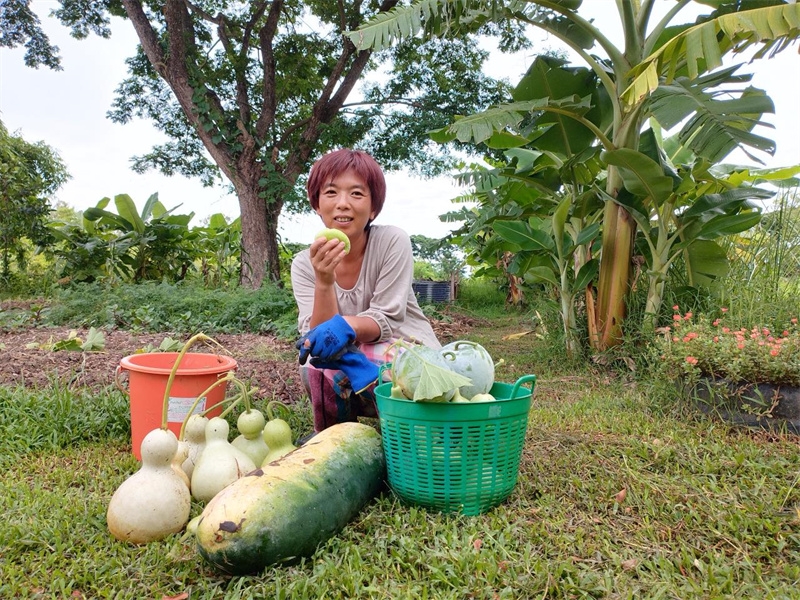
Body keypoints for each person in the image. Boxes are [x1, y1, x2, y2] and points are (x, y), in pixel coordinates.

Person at [290, 148, 440, 433]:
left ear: (373, 208)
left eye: (356, 193)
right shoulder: (304, 263)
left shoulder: (391, 241)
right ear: (317, 204)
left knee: (377, 354)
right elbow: (320, 339)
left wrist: (345, 327)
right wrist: (324, 280)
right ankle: (338, 439)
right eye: (331, 192)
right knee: (315, 366)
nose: (343, 204)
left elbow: (386, 320)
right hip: (351, 362)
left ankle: (406, 433)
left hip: (407, 355)